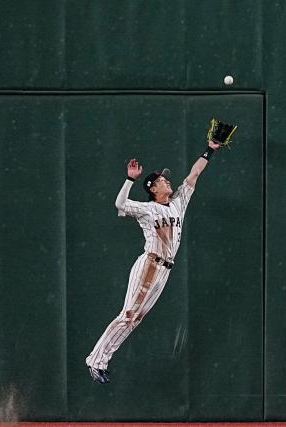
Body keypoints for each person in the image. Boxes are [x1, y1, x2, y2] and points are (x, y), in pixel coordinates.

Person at [85, 139, 221, 384]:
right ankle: (95, 360)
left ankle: (101, 361)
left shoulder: (178, 203)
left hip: (164, 271)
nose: (166, 181)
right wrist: (130, 180)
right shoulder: (148, 209)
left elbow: (195, 173)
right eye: (160, 180)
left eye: (165, 179)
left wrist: (210, 149)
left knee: (135, 319)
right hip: (150, 265)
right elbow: (120, 204)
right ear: (152, 188)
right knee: (128, 315)